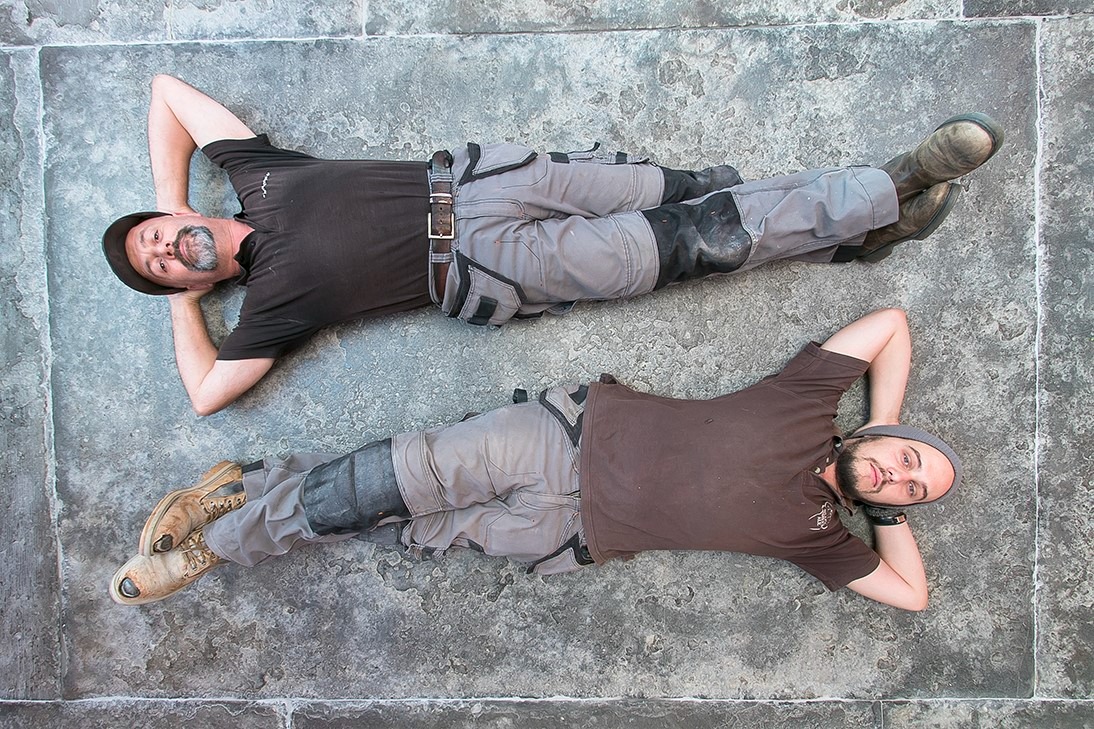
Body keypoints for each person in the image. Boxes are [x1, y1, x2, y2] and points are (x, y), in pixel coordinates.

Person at [102, 75, 1003, 416]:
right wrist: (187, 296)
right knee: (696, 240)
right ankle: (892, 182)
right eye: (157, 264)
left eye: (152, 236)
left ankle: (862, 236)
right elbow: (206, 393)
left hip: (492, 181)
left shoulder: (257, 175)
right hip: (492, 270)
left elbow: (166, 97)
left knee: (690, 192)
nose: (164, 247)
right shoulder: (266, 306)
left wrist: (168, 206)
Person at [110, 308, 961, 612]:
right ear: (886, 437)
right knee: (389, 479)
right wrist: (880, 423)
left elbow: (913, 594)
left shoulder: (827, 538)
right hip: (561, 437)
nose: (900, 473)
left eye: (913, 490)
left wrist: (882, 512)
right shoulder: (810, 404)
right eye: (910, 457)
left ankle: (242, 491)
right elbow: (890, 323)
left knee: (396, 527)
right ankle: (211, 547)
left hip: (564, 535)